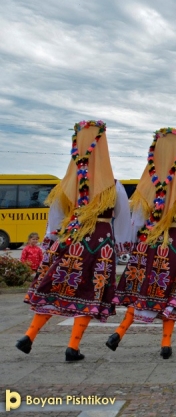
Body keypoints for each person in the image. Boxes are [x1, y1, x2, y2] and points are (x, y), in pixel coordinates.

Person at [18, 120, 131, 362]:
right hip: (100, 244)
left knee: (55, 285)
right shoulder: (114, 186)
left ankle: (29, 336)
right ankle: (72, 347)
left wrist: (52, 242)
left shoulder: (67, 184)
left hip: (70, 240)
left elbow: (55, 218)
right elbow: (123, 218)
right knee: (89, 293)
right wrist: (122, 244)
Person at [108, 128, 176, 359]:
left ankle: (119, 332)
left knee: (142, 289)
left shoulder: (147, 184)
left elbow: (137, 219)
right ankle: (166, 344)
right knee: (173, 291)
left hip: (148, 243)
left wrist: (132, 244)